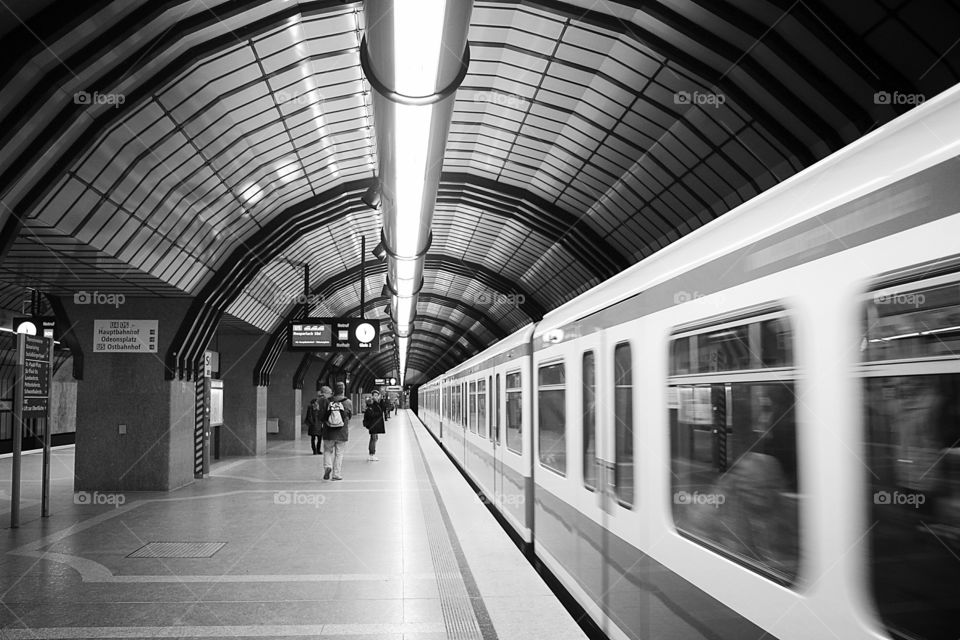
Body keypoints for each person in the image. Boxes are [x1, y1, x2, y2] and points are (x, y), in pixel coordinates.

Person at [322, 382, 353, 480]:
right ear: (343, 390)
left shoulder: (327, 401)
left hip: (328, 431)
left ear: (334, 390)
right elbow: (349, 416)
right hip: (342, 431)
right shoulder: (348, 402)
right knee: (339, 454)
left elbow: (322, 416)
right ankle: (336, 474)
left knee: (327, 450)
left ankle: (328, 466)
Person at [304, 389, 328, 455]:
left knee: (318, 438)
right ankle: (315, 450)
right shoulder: (311, 408)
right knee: (314, 438)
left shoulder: (320, 408)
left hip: (318, 425)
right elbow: (309, 417)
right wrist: (313, 423)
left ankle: (317, 450)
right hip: (314, 425)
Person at [363, 394, 385, 461]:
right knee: (373, 439)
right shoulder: (371, 408)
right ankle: (372, 454)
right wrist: (379, 414)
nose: (376, 397)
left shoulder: (373, 406)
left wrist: (381, 399)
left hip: (374, 425)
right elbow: (372, 415)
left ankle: (372, 454)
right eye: (375, 396)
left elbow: (382, 407)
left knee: (374, 438)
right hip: (373, 425)